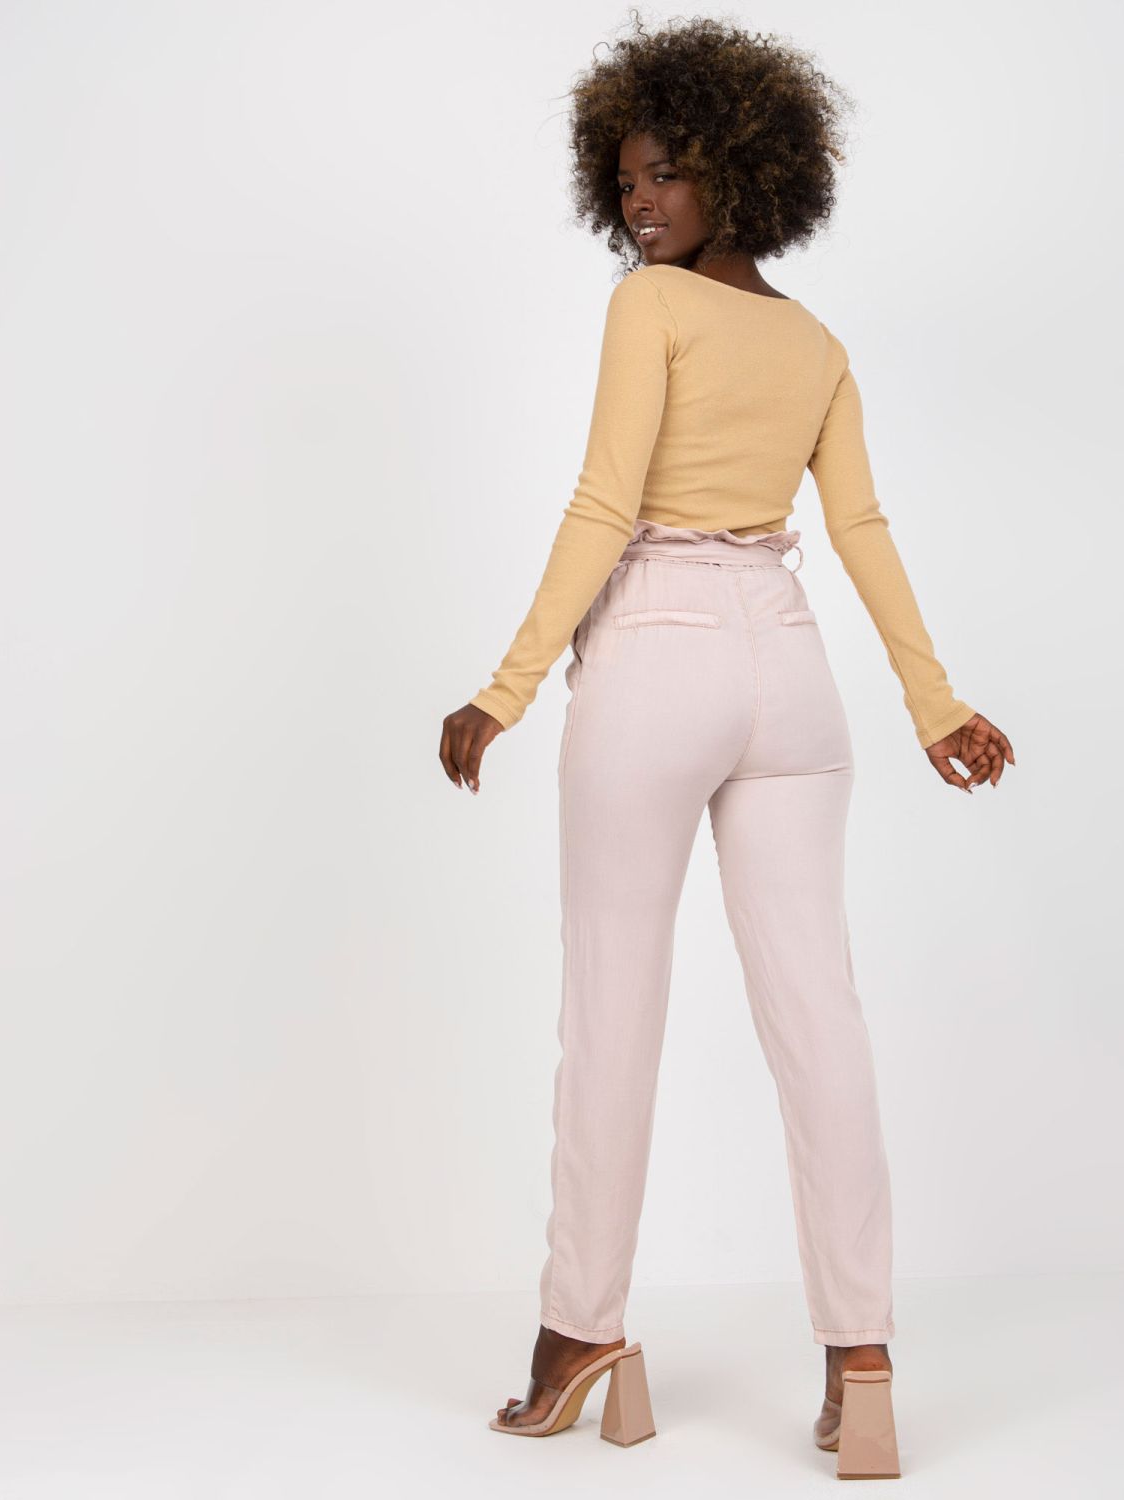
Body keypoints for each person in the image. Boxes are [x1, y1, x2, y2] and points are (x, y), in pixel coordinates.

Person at [439, 14, 1014, 1466]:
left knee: (611, 1010)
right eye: (628, 178)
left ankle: (579, 1332)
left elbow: (604, 500)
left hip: (660, 648)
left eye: (669, 174)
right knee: (819, 1013)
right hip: (791, 668)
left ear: (740, 175)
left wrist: (506, 688)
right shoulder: (815, 345)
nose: (641, 202)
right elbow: (856, 524)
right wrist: (932, 701)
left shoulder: (652, 308)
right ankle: (861, 1354)